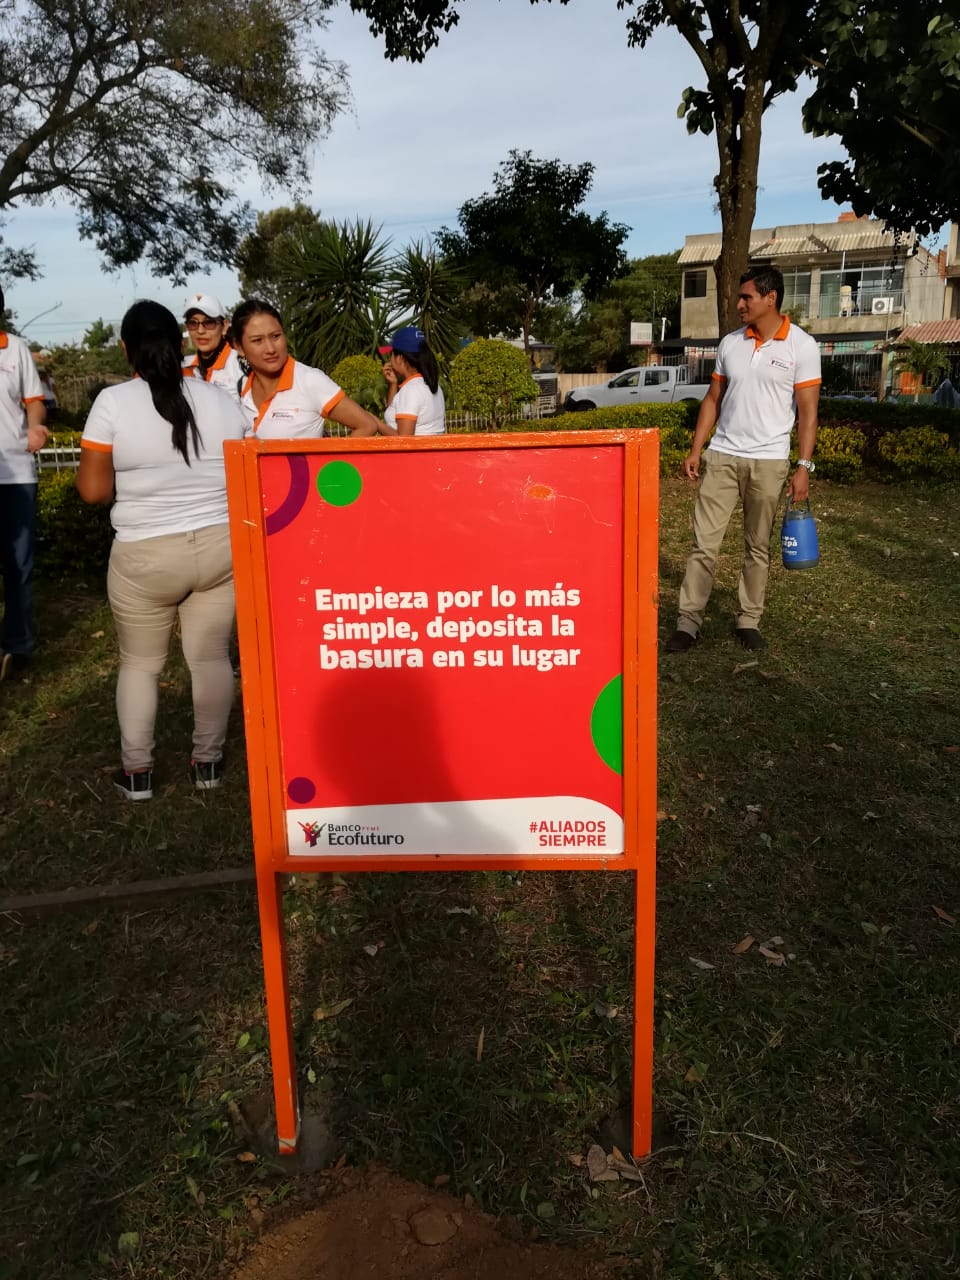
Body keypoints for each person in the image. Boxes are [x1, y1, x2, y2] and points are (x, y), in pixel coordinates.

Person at [77, 300, 247, 800]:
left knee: (141, 665)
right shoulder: (220, 401)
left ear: (127, 348)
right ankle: (209, 764)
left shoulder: (112, 403)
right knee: (211, 657)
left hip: (144, 556)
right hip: (219, 549)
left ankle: (138, 774)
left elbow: (92, 492)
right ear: (178, 344)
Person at [665, 266, 821, 654]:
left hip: (768, 462)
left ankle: (748, 620)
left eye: (746, 297)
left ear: (771, 298)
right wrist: (696, 448)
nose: (738, 304)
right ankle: (688, 622)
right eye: (739, 296)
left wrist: (804, 467)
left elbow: (808, 414)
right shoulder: (731, 344)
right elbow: (712, 400)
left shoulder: (801, 346)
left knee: (757, 546)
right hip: (722, 457)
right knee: (704, 544)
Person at [231, 299, 381, 438]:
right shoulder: (240, 389)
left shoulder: (309, 381)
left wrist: (328, 465)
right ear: (239, 347)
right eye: (258, 340)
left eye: (276, 336)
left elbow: (366, 425)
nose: (270, 349)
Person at [0, 286, 48, 680]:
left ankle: (19, 644)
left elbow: (34, 400)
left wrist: (36, 429)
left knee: (19, 565)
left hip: (15, 473)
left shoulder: (15, 349)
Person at [379, 326, 446, 436]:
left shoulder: (410, 391)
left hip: (418, 453)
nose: (389, 359)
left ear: (400, 358)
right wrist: (393, 384)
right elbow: (394, 415)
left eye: (391, 354)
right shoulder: (432, 385)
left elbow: (405, 441)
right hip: (432, 451)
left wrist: (377, 424)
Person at [182, 293, 244, 395]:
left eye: (209, 323)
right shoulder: (186, 367)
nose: (200, 331)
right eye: (193, 323)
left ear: (224, 327)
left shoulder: (238, 364)